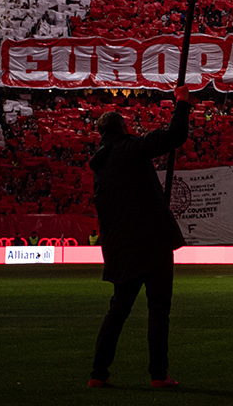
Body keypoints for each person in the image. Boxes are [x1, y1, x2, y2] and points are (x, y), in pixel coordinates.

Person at [88, 83, 193, 390]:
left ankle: (98, 372)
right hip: (152, 243)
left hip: (120, 249)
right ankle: (158, 374)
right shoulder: (129, 149)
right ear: (122, 129)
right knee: (158, 309)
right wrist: (182, 103)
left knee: (118, 309)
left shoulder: (101, 164)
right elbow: (175, 137)